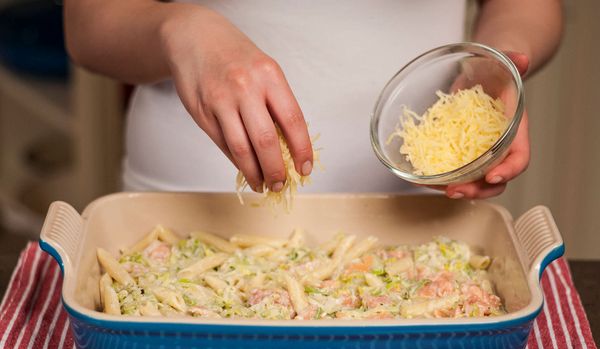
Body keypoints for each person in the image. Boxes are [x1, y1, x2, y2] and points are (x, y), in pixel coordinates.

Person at [63, 0, 562, 199]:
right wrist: (179, 30)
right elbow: (90, 27)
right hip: (178, 210)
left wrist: (494, 65)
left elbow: (527, 6)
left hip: (424, 217)